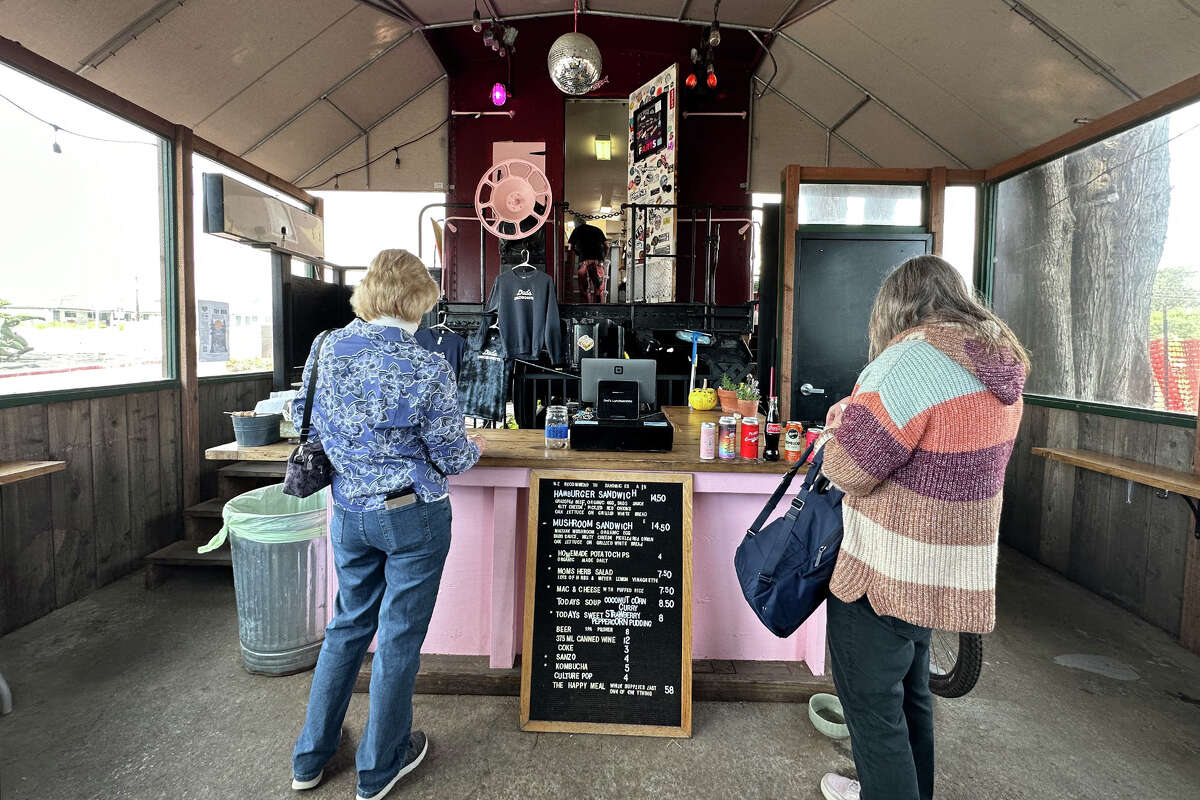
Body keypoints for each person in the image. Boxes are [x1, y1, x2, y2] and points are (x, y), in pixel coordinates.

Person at [816, 255, 1028, 800]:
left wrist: (839, 422)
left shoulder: (911, 362)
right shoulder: (996, 361)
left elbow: (848, 469)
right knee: (912, 698)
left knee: (872, 712)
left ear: (896, 306)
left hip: (886, 573)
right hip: (944, 570)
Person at [289, 249, 487, 800]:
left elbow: (303, 417)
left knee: (347, 626)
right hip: (411, 515)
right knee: (398, 637)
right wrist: (476, 448)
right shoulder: (427, 366)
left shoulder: (325, 347)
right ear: (419, 299)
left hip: (348, 510)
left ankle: (310, 757)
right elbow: (450, 456)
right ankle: (379, 769)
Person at [568, 219, 608, 302]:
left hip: (583, 261)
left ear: (576, 224)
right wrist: (604, 257)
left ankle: (585, 309)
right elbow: (607, 245)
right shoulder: (597, 229)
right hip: (597, 261)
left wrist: (577, 253)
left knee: (585, 288)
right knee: (599, 287)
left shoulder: (576, 230)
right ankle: (598, 308)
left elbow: (569, 247)